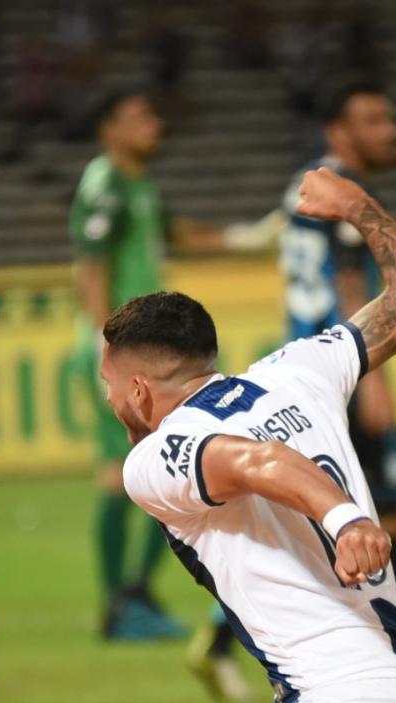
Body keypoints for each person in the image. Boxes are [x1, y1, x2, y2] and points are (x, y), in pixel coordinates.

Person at [102, 165, 396, 703]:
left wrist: (344, 517)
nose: (109, 400)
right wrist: (358, 206)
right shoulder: (297, 369)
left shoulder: (154, 459)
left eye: (111, 386)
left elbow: (255, 459)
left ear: (140, 392)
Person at [270, 76, 396, 689]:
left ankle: (391, 650)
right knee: (381, 512)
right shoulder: (339, 192)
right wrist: (370, 377)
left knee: (343, 510)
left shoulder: (303, 186)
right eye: (375, 120)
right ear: (340, 130)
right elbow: (349, 286)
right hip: (342, 366)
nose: (390, 131)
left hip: (308, 363)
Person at [69, 90, 281, 642]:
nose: (153, 123)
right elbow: (91, 269)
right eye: (139, 116)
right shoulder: (104, 186)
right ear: (109, 129)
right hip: (127, 355)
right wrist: (104, 344)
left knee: (166, 465)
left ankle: (136, 595)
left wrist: (245, 236)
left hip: (150, 352)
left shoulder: (138, 186)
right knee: (123, 475)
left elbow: (179, 232)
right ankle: (122, 604)